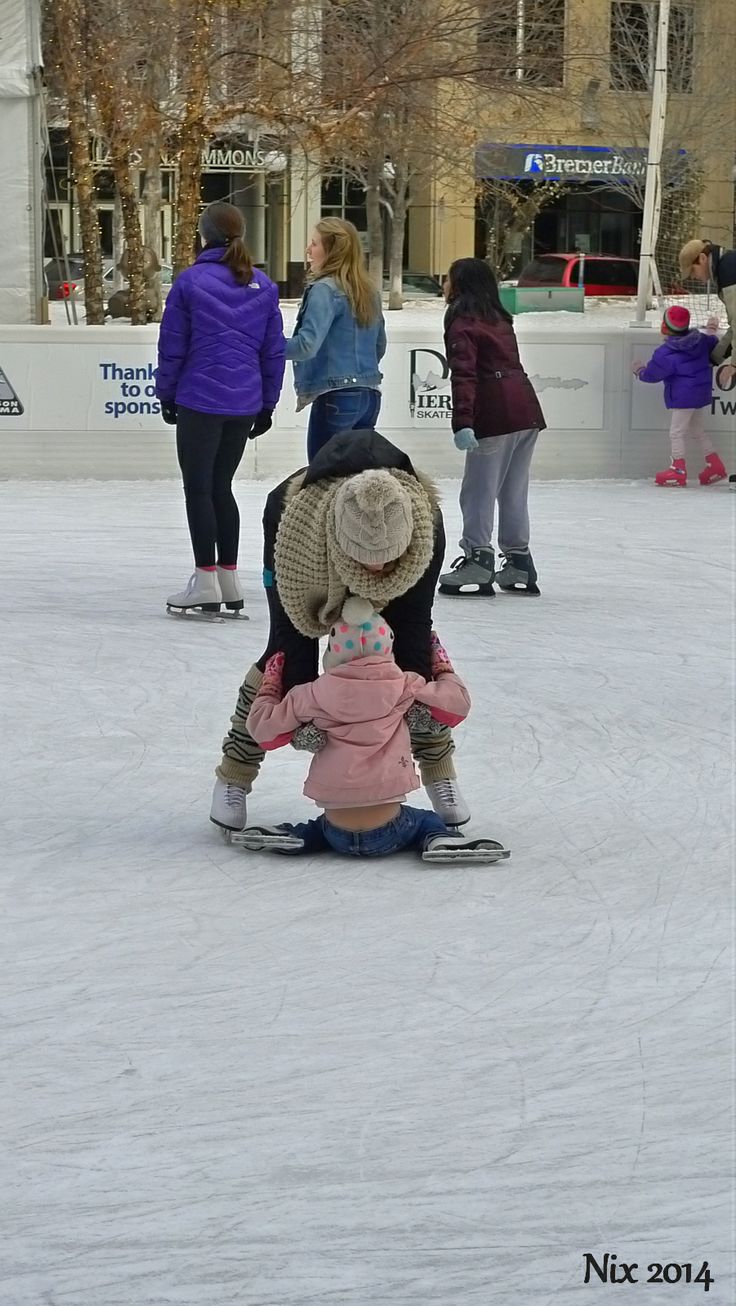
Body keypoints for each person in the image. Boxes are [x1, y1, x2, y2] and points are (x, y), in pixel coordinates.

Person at [209, 429, 471, 833]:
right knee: (279, 657)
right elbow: (295, 637)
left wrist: (424, 709)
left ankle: (441, 773)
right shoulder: (290, 515)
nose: (377, 570)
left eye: (387, 560)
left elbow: (414, 627)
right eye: (367, 560)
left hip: (392, 559)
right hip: (310, 566)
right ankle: (234, 775)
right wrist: (300, 719)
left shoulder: (425, 525)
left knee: (408, 662)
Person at [231, 604, 508, 864]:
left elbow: (262, 729)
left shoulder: (311, 693)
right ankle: (438, 838)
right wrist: (442, 668)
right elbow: (457, 704)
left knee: (318, 827)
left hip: (335, 831)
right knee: (426, 821)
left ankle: (297, 837)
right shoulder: (403, 684)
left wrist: (269, 687)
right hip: (390, 830)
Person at [156, 201, 285, 615]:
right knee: (221, 488)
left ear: (204, 235)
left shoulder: (190, 282)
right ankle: (228, 580)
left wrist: (167, 393)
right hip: (243, 402)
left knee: (199, 488)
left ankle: (206, 581)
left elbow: (173, 345)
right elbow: (272, 351)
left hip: (200, 400)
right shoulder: (262, 286)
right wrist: (266, 403)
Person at [437, 257, 546, 598]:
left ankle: (478, 558)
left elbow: (465, 376)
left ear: (461, 285)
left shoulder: (462, 322)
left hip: (496, 415)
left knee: (478, 491)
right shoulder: (498, 317)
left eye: (448, 280)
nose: (444, 286)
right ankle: (518, 561)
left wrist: (463, 423)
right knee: (513, 491)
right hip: (525, 412)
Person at [285, 218, 386, 462]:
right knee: (353, 481)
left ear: (332, 251)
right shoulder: (368, 290)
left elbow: (306, 345)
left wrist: (265, 345)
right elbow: (379, 346)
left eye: (314, 244)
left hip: (337, 397)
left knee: (324, 481)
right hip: (369, 397)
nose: (308, 250)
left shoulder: (325, 289)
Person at [632, 306, 727, 487]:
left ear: (665, 327)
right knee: (697, 430)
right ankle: (715, 465)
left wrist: (639, 370)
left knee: (676, 432)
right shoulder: (700, 340)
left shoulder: (665, 353)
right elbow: (712, 340)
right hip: (700, 394)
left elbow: (651, 376)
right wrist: (712, 328)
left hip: (683, 397)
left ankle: (678, 469)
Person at [678, 239, 736, 386]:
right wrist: (714, 358)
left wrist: (734, 366)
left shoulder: (729, 271)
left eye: (692, 270)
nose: (692, 277)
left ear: (702, 258)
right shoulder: (727, 265)